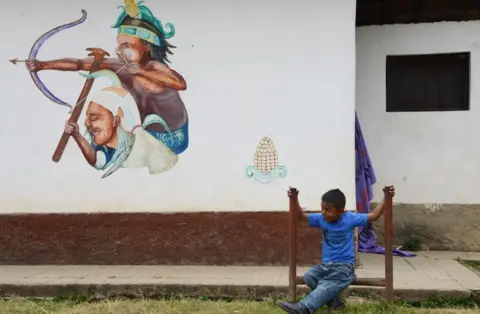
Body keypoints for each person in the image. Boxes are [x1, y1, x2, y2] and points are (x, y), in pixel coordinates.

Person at [26, 1, 189, 156]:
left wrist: (139, 71)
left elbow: (180, 83)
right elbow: (79, 64)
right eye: (119, 45)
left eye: (127, 45)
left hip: (174, 137)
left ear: (146, 46)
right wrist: (42, 65)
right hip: (146, 135)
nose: (120, 51)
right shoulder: (121, 67)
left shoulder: (155, 68)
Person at [277, 186, 395, 314]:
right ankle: (335, 304)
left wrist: (386, 197)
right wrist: (294, 198)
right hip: (326, 266)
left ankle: (305, 307)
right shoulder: (321, 219)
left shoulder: (350, 218)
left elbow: (374, 215)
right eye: (322, 208)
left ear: (341, 211)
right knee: (309, 276)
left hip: (344, 267)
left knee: (326, 284)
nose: (323, 212)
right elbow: (300, 216)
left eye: (328, 209)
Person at [65, 79, 178, 178]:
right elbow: (98, 161)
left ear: (115, 121)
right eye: (87, 118)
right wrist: (76, 135)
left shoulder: (144, 145)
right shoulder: (106, 146)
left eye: (94, 118)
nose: (86, 123)